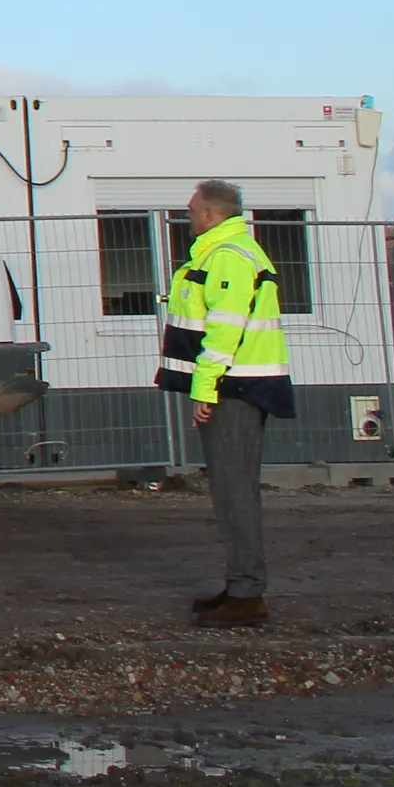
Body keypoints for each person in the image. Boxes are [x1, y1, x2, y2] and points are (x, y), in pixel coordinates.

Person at [160, 179, 291, 626]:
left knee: (234, 490)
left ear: (211, 214)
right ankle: (240, 585)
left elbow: (224, 328)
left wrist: (205, 388)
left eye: (192, 209)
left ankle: (247, 593)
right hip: (237, 385)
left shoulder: (227, 256)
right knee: (232, 490)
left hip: (234, 387)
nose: (188, 215)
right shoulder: (228, 252)